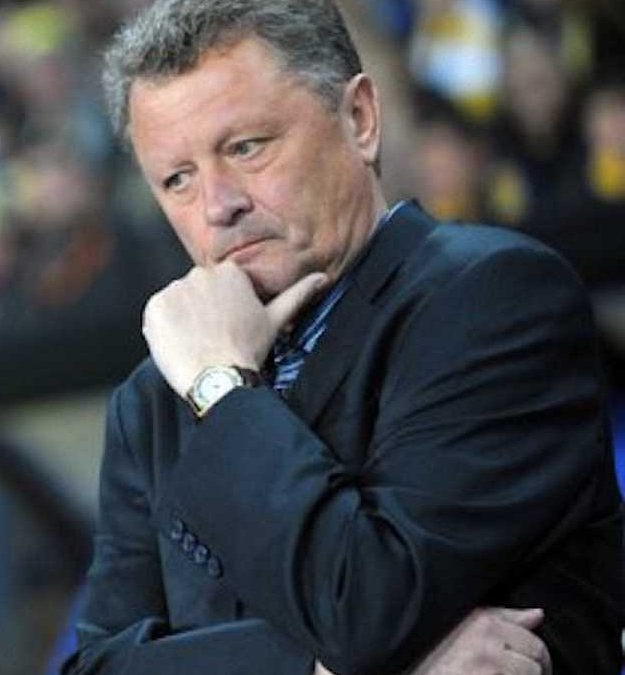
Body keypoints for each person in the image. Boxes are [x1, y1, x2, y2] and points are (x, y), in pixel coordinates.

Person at [62, 1, 624, 673]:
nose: (217, 205)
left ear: (359, 118)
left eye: (245, 147)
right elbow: (96, 666)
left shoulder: (496, 300)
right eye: (177, 178)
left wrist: (221, 388)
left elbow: (367, 608)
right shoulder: (154, 397)